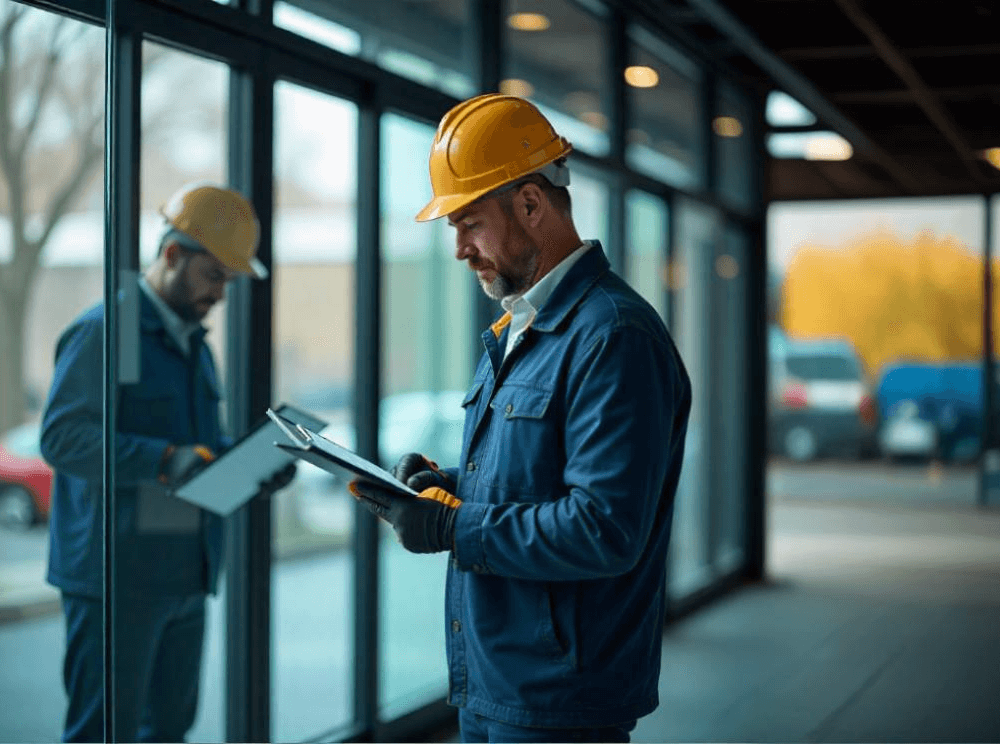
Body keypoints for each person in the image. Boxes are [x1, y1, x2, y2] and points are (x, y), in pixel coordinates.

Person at [351, 94, 692, 743]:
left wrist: (453, 526)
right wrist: (444, 483)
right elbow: (535, 477)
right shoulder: (519, 327)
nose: (458, 249)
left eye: (469, 222)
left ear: (531, 204)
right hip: (496, 681)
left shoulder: (613, 338)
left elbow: (603, 528)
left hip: (560, 701)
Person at [40, 183, 295, 743]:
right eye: (214, 277)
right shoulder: (110, 330)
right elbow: (63, 438)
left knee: (169, 732)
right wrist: (162, 459)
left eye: (228, 281)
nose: (221, 295)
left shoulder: (195, 346)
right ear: (173, 255)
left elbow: (197, 454)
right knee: (105, 734)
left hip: (184, 572)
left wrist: (253, 467)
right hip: (118, 579)